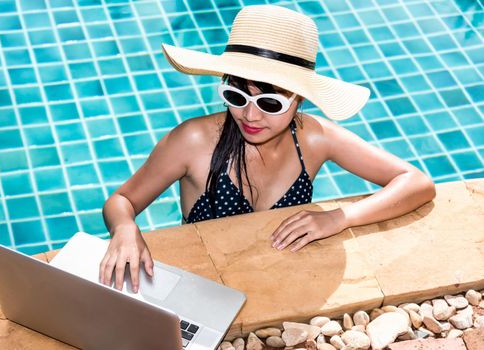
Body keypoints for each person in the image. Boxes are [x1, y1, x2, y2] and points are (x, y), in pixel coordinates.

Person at [99, 5, 436, 292]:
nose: (250, 114)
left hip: (283, 279)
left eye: (270, 102)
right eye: (236, 96)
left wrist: (340, 217)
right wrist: (125, 229)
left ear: (298, 98)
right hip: (204, 280)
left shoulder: (316, 139)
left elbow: (417, 182)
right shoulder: (194, 141)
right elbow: (122, 200)